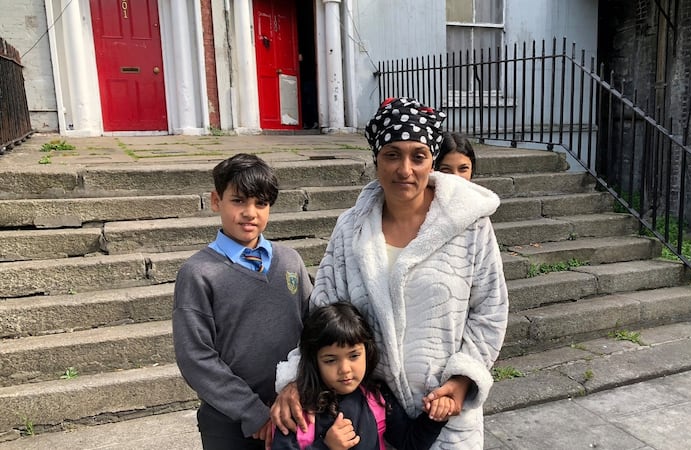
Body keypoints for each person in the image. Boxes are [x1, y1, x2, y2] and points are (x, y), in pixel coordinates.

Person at [272, 97, 509, 449]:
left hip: (445, 413)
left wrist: (462, 381)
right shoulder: (351, 230)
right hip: (369, 415)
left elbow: (490, 308)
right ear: (376, 159)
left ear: (431, 160)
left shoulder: (470, 227)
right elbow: (323, 310)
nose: (405, 169)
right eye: (392, 154)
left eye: (418, 156)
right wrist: (296, 378)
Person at [172, 153, 312, 449]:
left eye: (260, 203)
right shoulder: (198, 273)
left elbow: (313, 330)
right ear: (215, 200)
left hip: (293, 412)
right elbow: (195, 356)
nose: (250, 213)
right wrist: (253, 412)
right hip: (229, 422)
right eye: (238, 201)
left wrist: (300, 386)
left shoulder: (290, 261)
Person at [271, 302, 451, 449]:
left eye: (354, 356)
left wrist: (435, 416)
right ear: (313, 361)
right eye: (331, 360)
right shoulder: (297, 410)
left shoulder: (377, 396)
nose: (345, 369)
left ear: (368, 351)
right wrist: (326, 447)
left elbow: (409, 443)